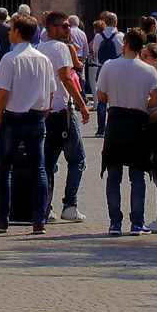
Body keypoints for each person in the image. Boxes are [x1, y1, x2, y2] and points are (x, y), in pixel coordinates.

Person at [97, 24, 157, 234]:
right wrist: (138, 98)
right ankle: (137, 221)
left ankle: (115, 222)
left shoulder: (109, 66)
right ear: (141, 47)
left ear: (126, 43)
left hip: (116, 120)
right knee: (137, 174)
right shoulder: (149, 70)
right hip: (138, 121)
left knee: (113, 174)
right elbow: (154, 99)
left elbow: (101, 97)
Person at [0, 14, 54, 232]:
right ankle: (39, 219)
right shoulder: (43, 59)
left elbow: (3, 93)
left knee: (4, 168)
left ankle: (3, 217)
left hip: (13, 117)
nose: (9, 33)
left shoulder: (10, 59)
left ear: (17, 32)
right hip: (36, 116)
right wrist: (43, 114)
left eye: (11, 30)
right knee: (39, 168)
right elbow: (51, 92)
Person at [39, 11, 89, 223]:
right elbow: (67, 79)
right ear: (52, 28)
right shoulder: (60, 48)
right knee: (77, 159)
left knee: (48, 163)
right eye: (65, 26)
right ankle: (70, 204)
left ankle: (45, 207)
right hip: (62, 110)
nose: (69, 31)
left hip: (45, 113)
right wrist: (83, 105)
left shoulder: (39, 49)